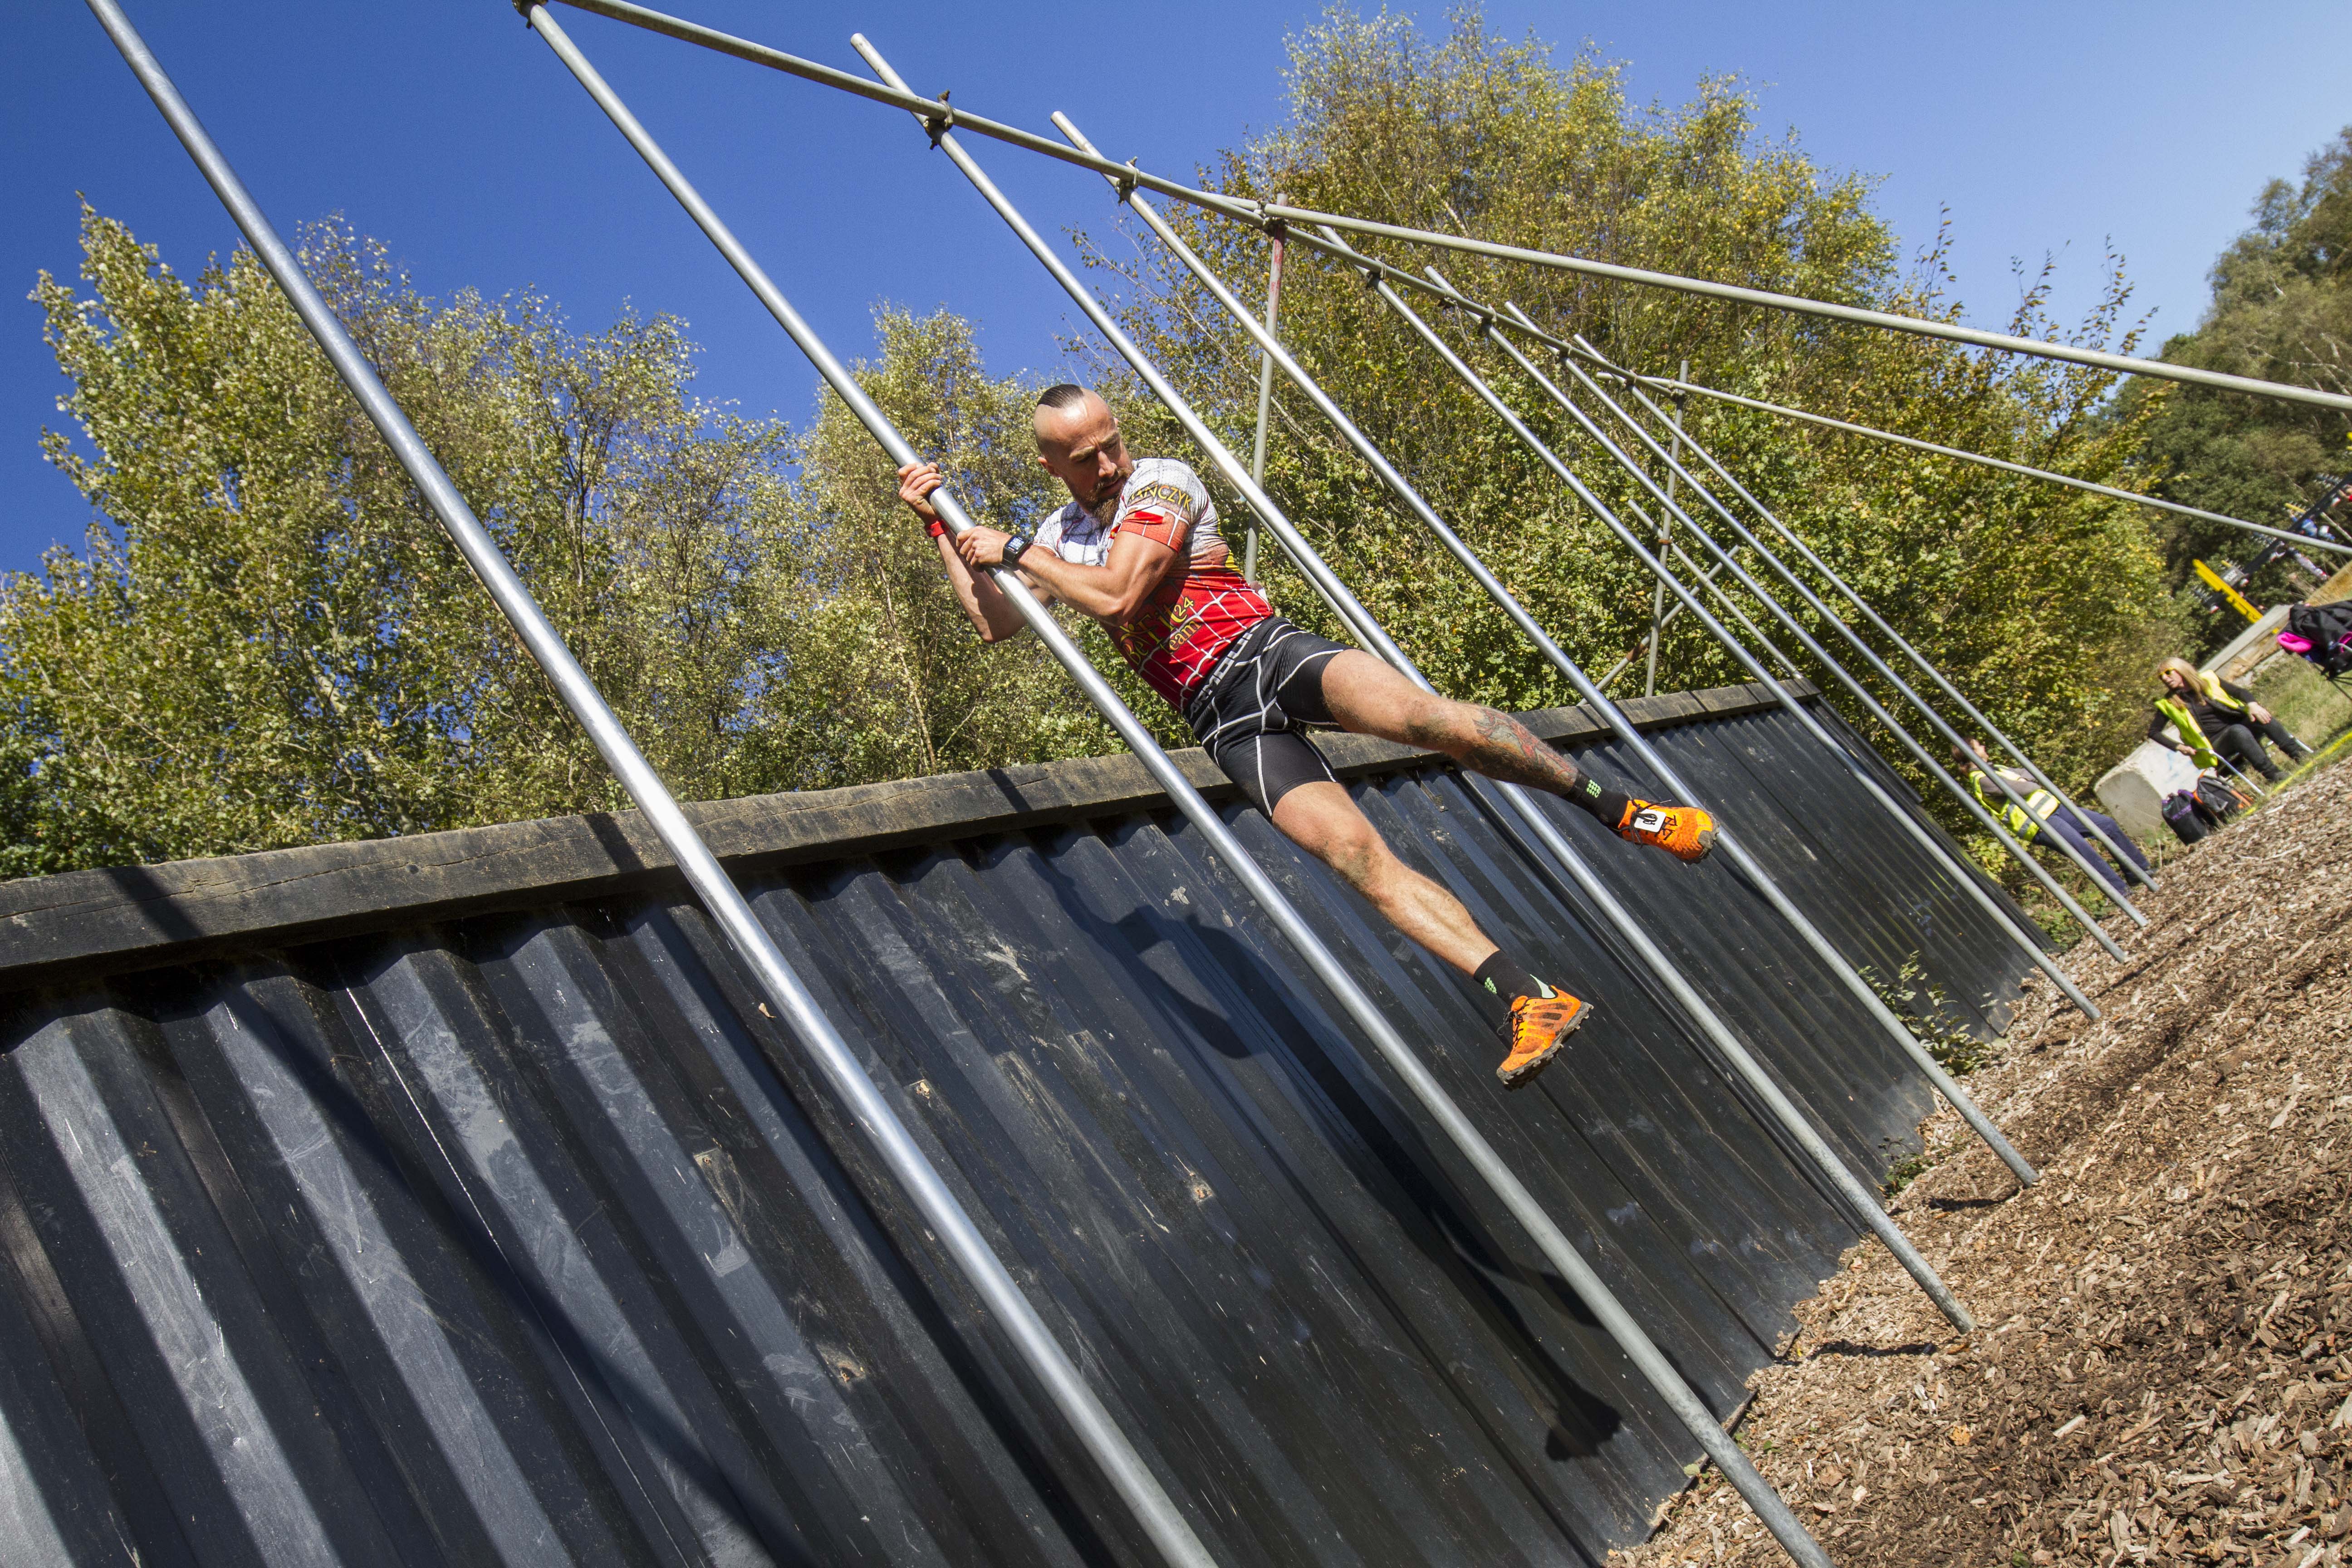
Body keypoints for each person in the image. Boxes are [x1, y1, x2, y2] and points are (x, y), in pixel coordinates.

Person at [897, 384, 1715, 1090]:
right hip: (1221, 720)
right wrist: (942, 527)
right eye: (1085, 458)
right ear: (1052, 467)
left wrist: (1017, 550)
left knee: (1430, 722)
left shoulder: (1160, 480)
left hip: (1268, 655)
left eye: (1111, 444)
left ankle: (1625, 811)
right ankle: (1529, 997)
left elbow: (1119, 597)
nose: (1108, 464)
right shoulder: (1059, 535)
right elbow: (994, 620)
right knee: (1355, 859)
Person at [1951, 739, 2149, 900]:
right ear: (1972, 754)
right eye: (1979, 746)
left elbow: (2030, 773)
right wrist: (2026, 782)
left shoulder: (1996, 769)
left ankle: (2139, 871)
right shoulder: (1983, 780)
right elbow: (2027, 787)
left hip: (2055, 808)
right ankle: (2120, 892)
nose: (1984, 746)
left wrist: (2026, 781)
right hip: (2039, 823)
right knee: (2083, 850)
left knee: (2107, 826)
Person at [2149, 657, 2310, 783]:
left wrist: (2253, 705)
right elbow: (2154, 732)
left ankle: (2300, 754)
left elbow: (2240, 692)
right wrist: (2180, 747)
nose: (2165, 678)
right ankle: (2273, 774)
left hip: (2240, 728)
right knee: (2237, 731)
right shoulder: (2168, 703)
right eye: (2161, 677)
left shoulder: (2208, 679)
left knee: (2258, 715)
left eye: (2168, 673)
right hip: (2215, 745)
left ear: (2181, 669)